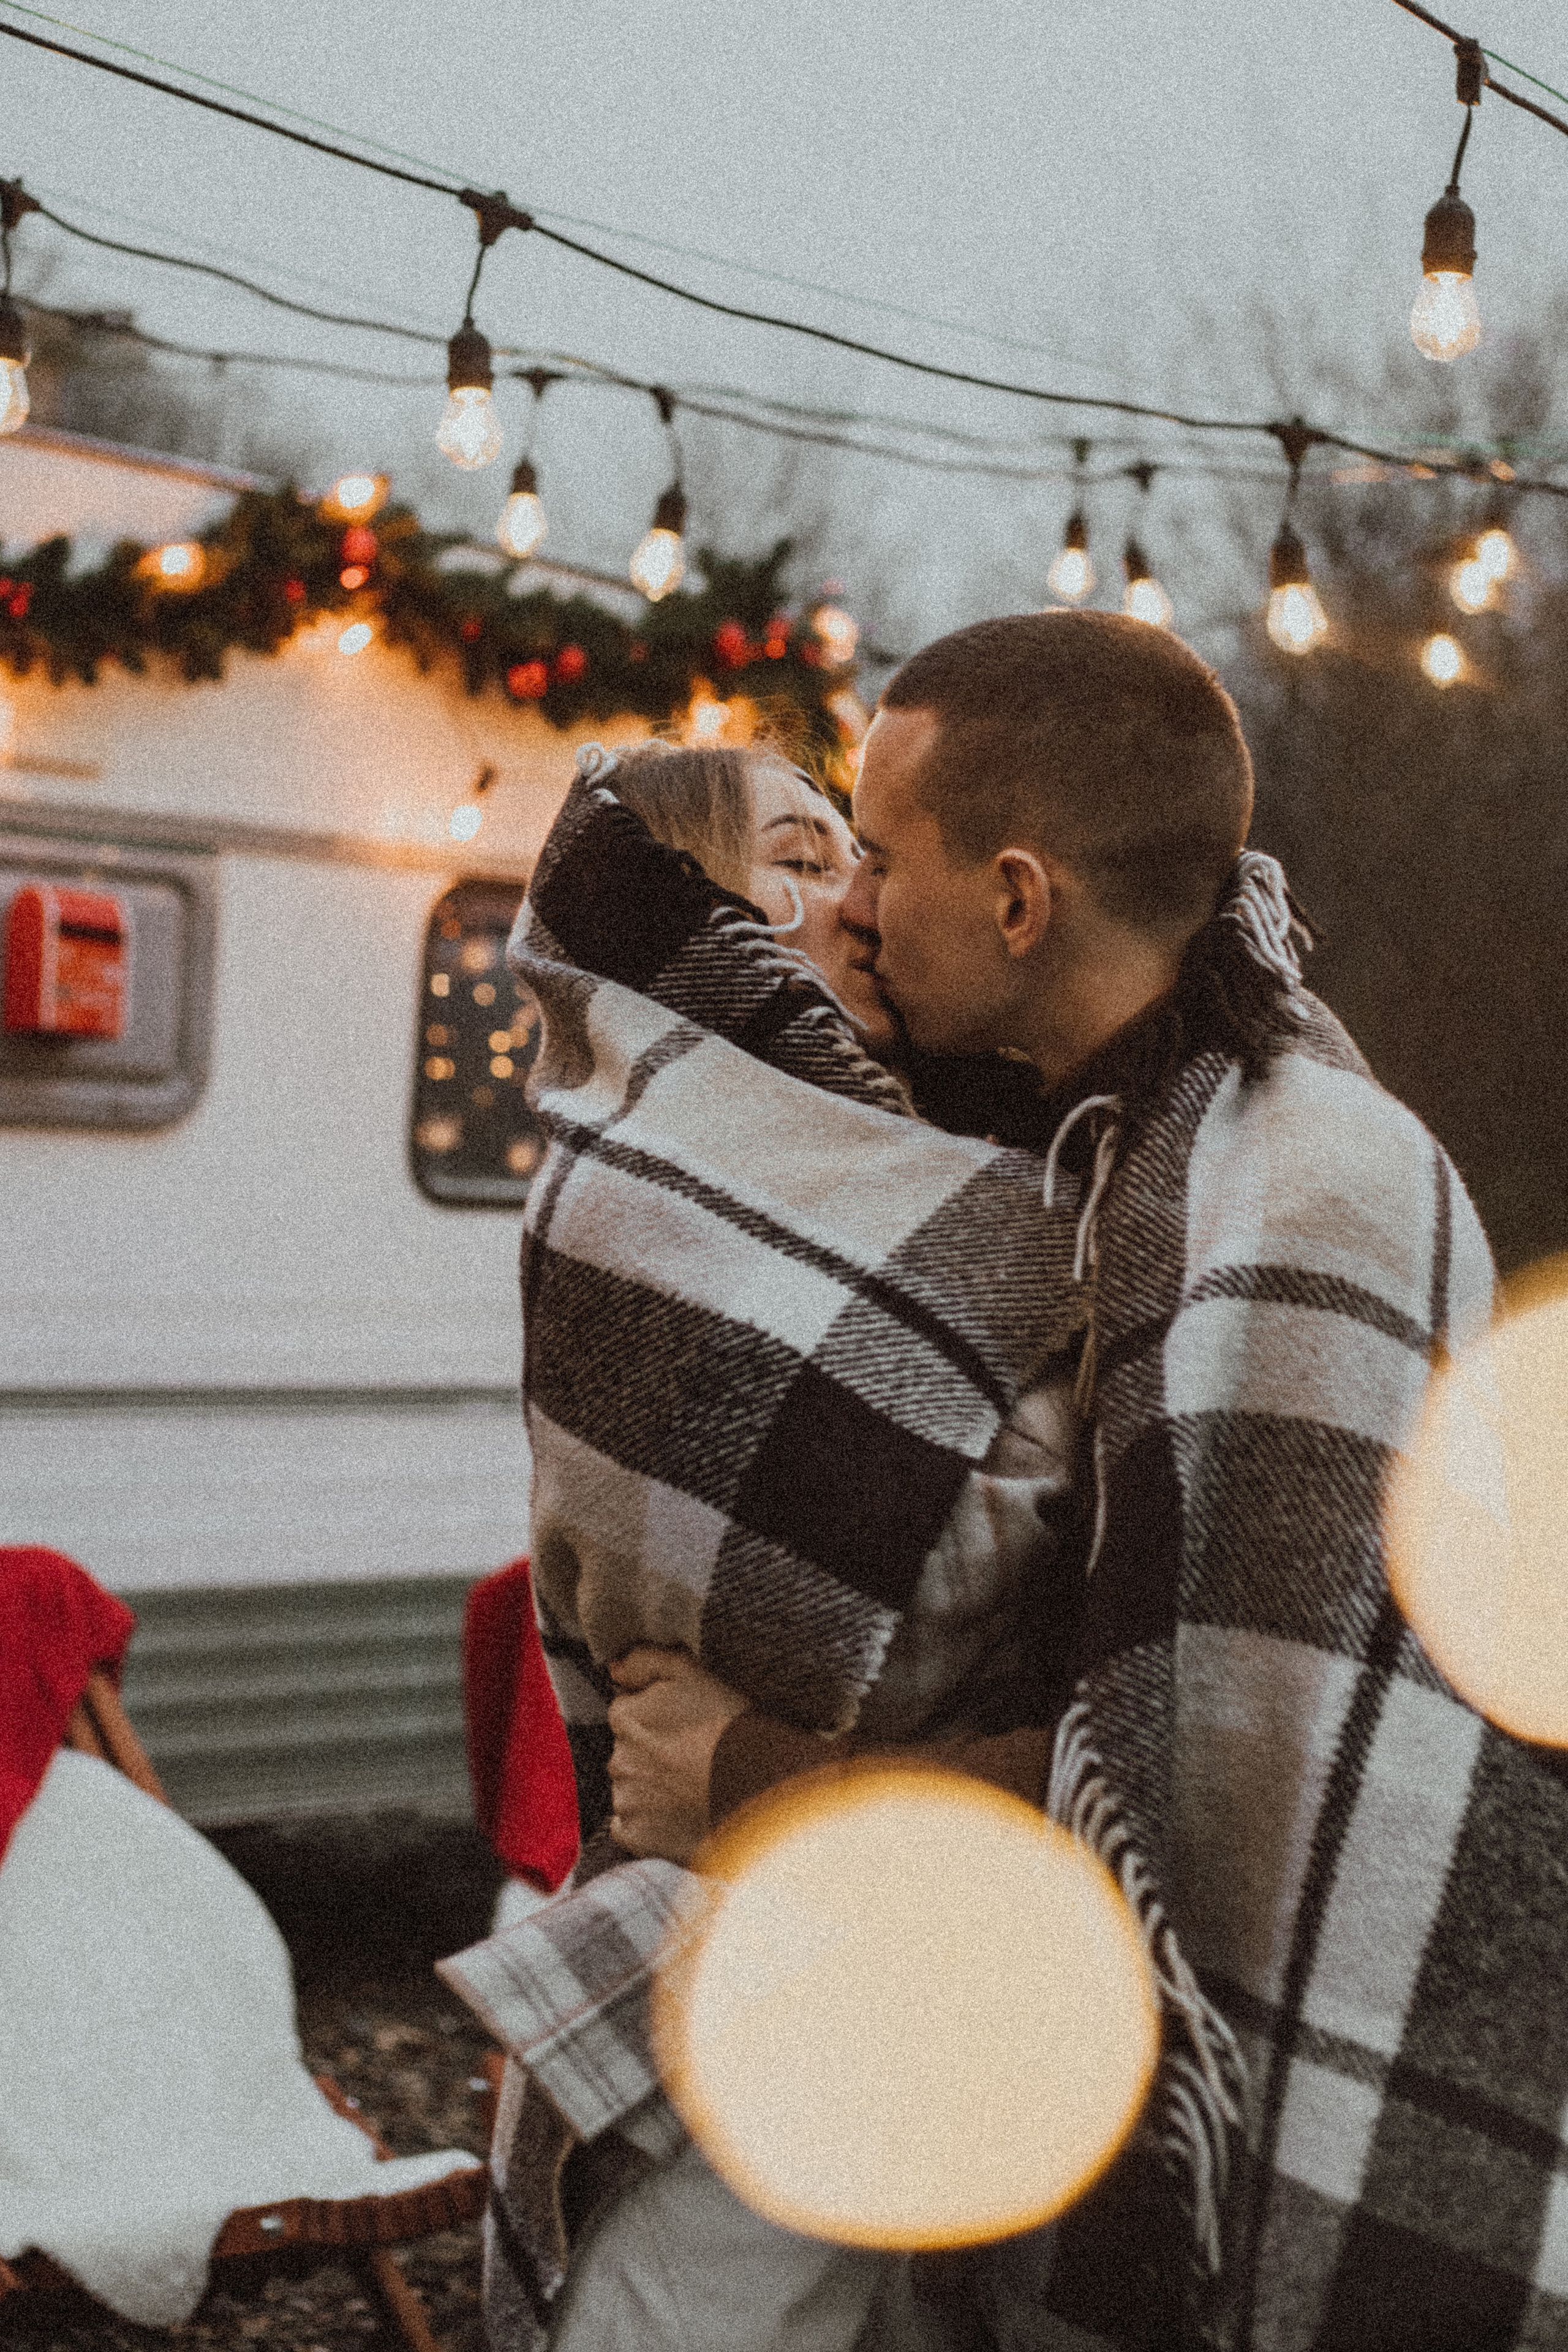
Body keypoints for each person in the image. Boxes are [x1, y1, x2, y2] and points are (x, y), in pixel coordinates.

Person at [605, 612, 1568, 2352]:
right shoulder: (1104, 1155)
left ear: (1021, 901)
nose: (861, 909)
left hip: (1295, 2105)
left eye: (881, 860)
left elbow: (1216, 1793)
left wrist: (762, 1776)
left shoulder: (1300, 1193)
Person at [442, 729, 1093, 2352]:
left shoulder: (948, 1162)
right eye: (800, 864)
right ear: (692, 927)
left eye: (858, 858)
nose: (861, 903)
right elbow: (942, 1566)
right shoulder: (643, 1182)